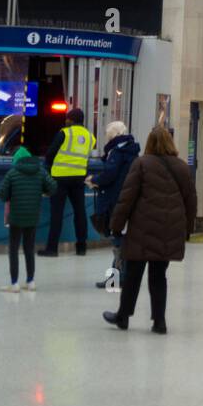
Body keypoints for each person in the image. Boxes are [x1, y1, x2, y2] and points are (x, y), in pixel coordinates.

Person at [102, 127, 196, 333]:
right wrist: (188, 229)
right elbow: (190, 201)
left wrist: (116, 226)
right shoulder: (182, 167)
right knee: (159, 276)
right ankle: (159, 321)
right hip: (170, 230)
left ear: (149, 143)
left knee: (133, 274)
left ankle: (123, 316)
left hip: (141, 230)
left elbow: (126, 198)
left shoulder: (142, 164)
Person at [0, 146, 57, 292]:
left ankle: (14, 283)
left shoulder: (12, 173)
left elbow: (2, 194)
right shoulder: (40, 171)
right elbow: (53, 187)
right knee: (29, 249)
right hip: (32, 216)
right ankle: (30, 282)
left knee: (13, 249)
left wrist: (11, 195)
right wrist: (41, 191)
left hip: (16, 218)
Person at [89, 122, 140, 289]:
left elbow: (110, 174)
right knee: (121, 238)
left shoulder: (117, 152)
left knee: (118, 240)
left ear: (113, 135)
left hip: (115, 201)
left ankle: (118, 278)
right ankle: (117, 277)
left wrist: (94, 180)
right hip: (127, 199)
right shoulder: (132, 151)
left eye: (108, 133)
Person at [40, 108, 96, 257]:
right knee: (80, 212)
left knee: (57, 213)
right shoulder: (90, 137)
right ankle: (81, 247)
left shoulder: (64, 133)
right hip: (79, 178)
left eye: (67, 118)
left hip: (60, 178)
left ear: (70, 120)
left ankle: (52, 249)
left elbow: (50, 154)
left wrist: (50, 165)